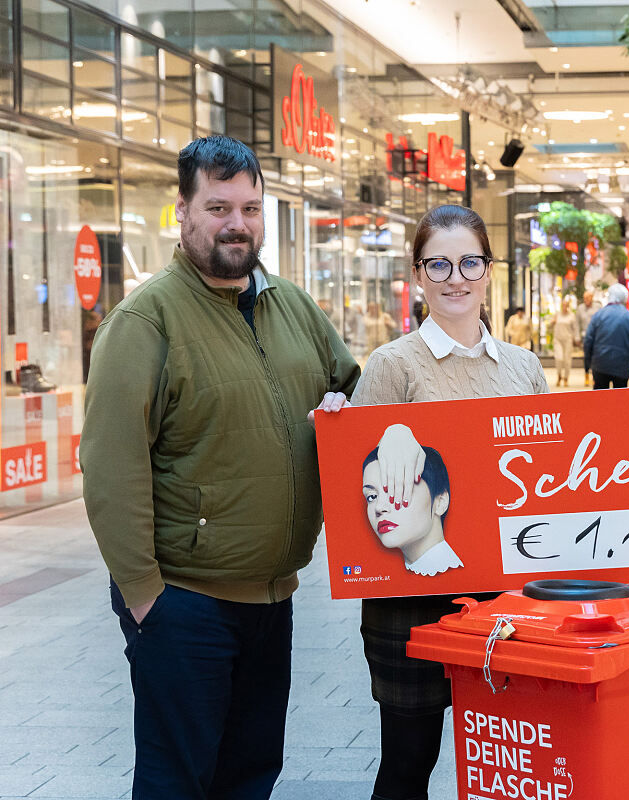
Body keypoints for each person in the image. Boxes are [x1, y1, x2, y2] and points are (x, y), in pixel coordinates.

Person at [80, 135, 360, 799]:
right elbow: (111, 466)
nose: (238, 223)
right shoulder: (145, 321)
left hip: (272, 598)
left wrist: (345, 404)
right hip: (184, 602)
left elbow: (354, 388)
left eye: (250, 208)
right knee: (177, 781)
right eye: (218, 207)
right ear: (182, 212)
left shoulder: (292, 306)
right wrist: (145, 596)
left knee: (251, 774)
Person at [340, 204, 547, 800]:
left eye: (469, 263)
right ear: (418, 274)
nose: (456, 278)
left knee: (511, 762)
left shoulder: (523, 367)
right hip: (411, 597)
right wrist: (349, 428)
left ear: (489, 270)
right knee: (409, 763)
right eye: (439, 265)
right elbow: (359, 480)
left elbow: (545, 479)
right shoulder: (392, 365)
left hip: (506, 595)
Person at [362, 439, 462, 576]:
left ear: (440, 502)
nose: (379, 507)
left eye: (397, 488)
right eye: (372, 496)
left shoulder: (461, 577)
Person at [582, 283, 629, 389]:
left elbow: (588, 341)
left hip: (600, 365)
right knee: (620, 397)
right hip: (622, 366)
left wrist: (588, 364)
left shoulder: (598, 316)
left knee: (599, 396)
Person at [551, 297, 579, 387]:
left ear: (568, 306)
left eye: (566, 305)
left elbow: (575, 328)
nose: (564, 307)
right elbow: (550, 327)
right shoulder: (557, 315)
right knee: (559, 358)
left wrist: (577, 338)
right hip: (558, 339)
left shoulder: (571, 316)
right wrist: (552, 322)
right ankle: (559, 376)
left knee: (567, 360)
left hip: (568, 339)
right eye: (563, 305)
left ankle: (566, 378)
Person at [575, 289, 600, 385]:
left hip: (596, 336)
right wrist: (577, 337)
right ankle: (586, 375)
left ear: (592, 298)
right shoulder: (580, 308)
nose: (586, 300)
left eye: (587, 298)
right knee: (587, 357)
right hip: (585, 336)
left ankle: (594, 376)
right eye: (584, 298)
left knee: (595, 356)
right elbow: (577, 324)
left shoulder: (598, 307)